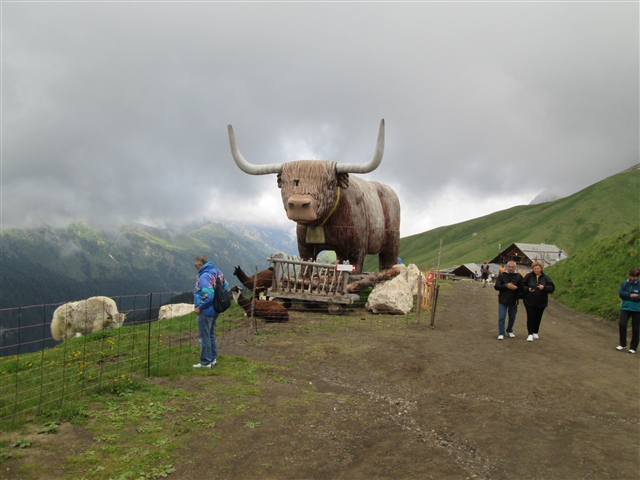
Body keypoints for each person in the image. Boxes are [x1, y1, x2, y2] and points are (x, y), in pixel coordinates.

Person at [193, 255, 229, 368]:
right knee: (211, 334)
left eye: (196, 266)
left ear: (200, 265)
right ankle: (213, 359)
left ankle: (205, 362)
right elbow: (226, 285)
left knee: (204, 336)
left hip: (206, 310)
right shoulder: (217, 272)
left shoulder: (204, 276)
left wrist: (200, 307)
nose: (196, 268)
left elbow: (208, 296)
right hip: (216, 308)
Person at [522, 261, 555, 342]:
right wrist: (528, 289)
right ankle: (530, 334)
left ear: (541, 269)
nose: (536, 270)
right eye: (534, 268)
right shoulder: (528, 276)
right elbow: (522, 285)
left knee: (538, 316)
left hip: (541, 301)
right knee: (531, 316)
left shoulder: (546, 277)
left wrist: (544, 287)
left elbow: (552, 288)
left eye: (538, 268)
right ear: (532, 269)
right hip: (529, 300)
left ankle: (535, 332)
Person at [494, 261, 523, 340]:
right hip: (503, 299)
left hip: (514, 300)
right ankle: (501, 333)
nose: (510, 268)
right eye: (509, 267)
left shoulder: (519, 276)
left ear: (515, 268)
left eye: (512, 267)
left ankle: (509, 330)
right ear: (507, 267)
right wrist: (506, 285)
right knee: (502, 317)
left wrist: (516, 288)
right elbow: (497, 286)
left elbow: (523, 287)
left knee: (512, 317)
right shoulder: (502, 275)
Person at [616, 268, 640, 354]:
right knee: (622, 324)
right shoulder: (625, 283)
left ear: (637, 277)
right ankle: (623, 344)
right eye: (632, 276)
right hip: (625, 307)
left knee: (635, 328)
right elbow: (621, 294)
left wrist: (629, 297)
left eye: (635, 277)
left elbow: (639, 297)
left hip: (637, 309)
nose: (633, 278)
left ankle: (633, 347)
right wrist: (630, 295)